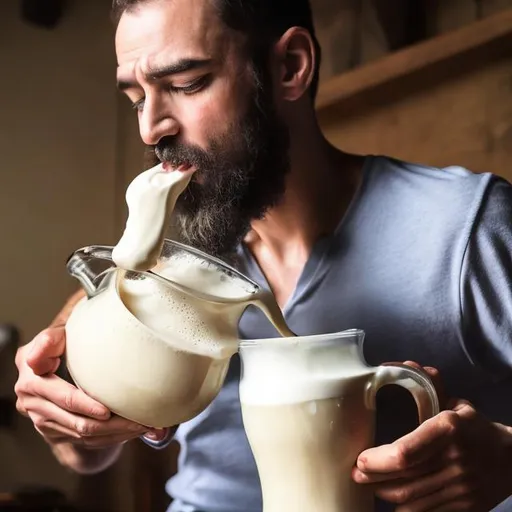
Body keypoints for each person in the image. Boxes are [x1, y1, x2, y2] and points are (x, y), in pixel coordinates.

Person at [14, 0, 512, 510]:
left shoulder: (468, 228)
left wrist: (505, 461)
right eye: (138, 97)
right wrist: (66, 423)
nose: (151, 128)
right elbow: (86, 453)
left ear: (290, 66)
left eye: (186, 84)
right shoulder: (162, 258)